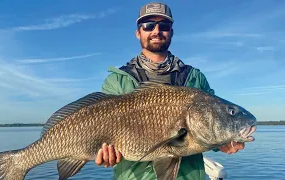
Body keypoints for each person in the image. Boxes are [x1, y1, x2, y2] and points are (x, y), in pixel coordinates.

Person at [95, 2, 245, 180]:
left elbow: (208, 128)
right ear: (138, 32)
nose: (156, 31)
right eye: (148, 25)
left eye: (164, 26)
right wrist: (104, 154)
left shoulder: (195, 78)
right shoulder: (117, 80)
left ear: (171, 32)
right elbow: (99, 131)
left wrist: (224, 142)